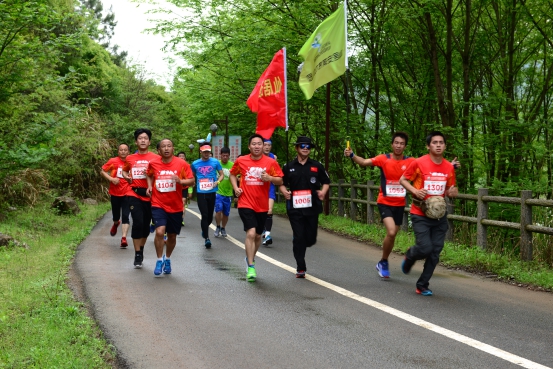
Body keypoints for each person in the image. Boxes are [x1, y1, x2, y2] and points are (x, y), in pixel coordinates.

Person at [344, 132, 460, 279]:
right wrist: (352, 154)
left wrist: (450, 166)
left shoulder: (411, 161)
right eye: (396, 143)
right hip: (384, 202)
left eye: (402, 144)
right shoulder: (383, 159)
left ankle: (384, 259)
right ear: (392, 144)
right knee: (391, 232)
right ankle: (384, 262)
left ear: (405, 146)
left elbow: (430, 165)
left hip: (399, 204)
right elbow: (363, 162)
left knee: (393, 236)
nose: (398, 146)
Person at [399, 131, 458, 296]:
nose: (438, 145)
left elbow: (451, 189)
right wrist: (415, 191)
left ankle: (422, 285)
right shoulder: (418, 163)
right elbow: (403, 180)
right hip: (420, 213)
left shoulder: (448, 167)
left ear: (445, 146)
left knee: (435, 251)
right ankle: (411, 255)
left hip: (439, 215)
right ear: (428, 146)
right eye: (435, 142)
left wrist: (453, 192)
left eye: (441, 142)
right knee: (425, 248)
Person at [230, 134, 284, 281]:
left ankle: (250, 258)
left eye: (259, 144)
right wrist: (236, 188)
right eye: (254, 144)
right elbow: (232, 175)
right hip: (245, 203)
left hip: (262, 204)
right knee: (251, 233)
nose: (257, 146)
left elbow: (280, 179)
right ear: (249, 147)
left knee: (259, 235)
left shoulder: (270, 162)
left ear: (263, 146)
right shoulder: (241, 160)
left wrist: (270, 178)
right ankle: (251, 266)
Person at [280, 136, 330, 278]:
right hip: (295, 208)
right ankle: (300, 266)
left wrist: (323, 192)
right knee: (299, 236)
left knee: (310, 238)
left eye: (308, 146)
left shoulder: (317, 166)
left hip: (312, 206)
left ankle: (302, 241)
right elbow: (281, 182)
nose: (305, 148)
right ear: (297, 148)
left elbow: (326, 181)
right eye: (302, 146)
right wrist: (284, 191)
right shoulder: (289, 166)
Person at [146, 139, 194, 276]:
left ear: (173, 148)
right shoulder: (154, 163)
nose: (166, 148)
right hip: (158, 203)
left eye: (169, 146)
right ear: (159, 150)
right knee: (160, 232)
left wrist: (180, 181)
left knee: (172, 236)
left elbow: (192, 181)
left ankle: (167, 258)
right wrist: (150, 186)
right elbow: (148, 174)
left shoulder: (182, 164)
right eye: (163, 147)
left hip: (175, 206)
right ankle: (159, 260)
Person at [122, 128, 160, 268]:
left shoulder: (156, 158)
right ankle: (137, 254)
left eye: (145, 138)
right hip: (134, 193)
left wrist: (151, 173)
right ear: (136, 141)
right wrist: (127, 177)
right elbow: (125, 170)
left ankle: (141, 248)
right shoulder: (130, 158)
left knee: (145, 226)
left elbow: (161, 173)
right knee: (137, 222)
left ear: (149, 142)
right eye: (140, 138)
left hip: (151, 196)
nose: (143, 140)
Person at [191, 143, 224, 248]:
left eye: (208, 152)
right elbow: (191, 176)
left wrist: (217, 182)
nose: (206, 154)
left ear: (210, 152)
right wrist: (192, 183)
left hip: (212, 192)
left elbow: (222, 174)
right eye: (204, 152)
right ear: (201, 152)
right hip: (201, 193)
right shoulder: (195, 164)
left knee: (209, 217)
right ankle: (207, 238)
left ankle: (204, 229)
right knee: (204, 215)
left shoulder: (215, 162)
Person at [101, 143, 131, 248]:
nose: (123, 151)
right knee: (116, 216)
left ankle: (123, 238)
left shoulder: (131, 162)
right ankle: (115, 223)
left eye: (125, 150)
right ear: (118, 152)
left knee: (126, 216)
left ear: (128, 152)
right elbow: (102, 171)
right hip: (115, 193)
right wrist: (111, 179)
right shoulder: (113, 161)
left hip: (128, 192)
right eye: (121, 150)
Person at [214, 147, 234, 238]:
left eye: (227, 156)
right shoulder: (216, 164)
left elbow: (236, 178)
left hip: (228, 193)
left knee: (226, 214)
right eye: (223, 155)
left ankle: (223, 227)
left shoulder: (233, 165)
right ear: (220, 155)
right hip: (218, 192)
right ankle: (217, 226)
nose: (225, 157)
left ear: (229, 156)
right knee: (218, 211)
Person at [261, 138, 277, 246]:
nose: (267, 147)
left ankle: (267, 235)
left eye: (269, 145)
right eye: (265, 145)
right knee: (260, 211)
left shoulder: (273, 157)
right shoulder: (256, 157)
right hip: (258, 188)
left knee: (269, 210)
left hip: (270, 186)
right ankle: (262, 231)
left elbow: (277, 172)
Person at [176, 151, 189, 226]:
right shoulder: (174, 165)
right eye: (180, 156)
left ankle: (181, 219)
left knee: (183, 202)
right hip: (176, 188)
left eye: (183, 156)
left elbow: (190, 177)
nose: (181, 157)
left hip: (184, 187)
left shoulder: (187, 166)